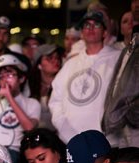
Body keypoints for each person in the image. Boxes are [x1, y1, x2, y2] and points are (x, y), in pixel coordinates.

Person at [49, 11, 120, 144]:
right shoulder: (70, 64)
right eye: (86, 25)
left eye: (96, 25)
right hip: (72, 141)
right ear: (81, 33)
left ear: (105, 33)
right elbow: (55, 101)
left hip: (107, 141)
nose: (91, 28)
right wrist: (65, 130)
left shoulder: (118, 59)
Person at [102, 2, 139, 148]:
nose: (131, 23)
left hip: (133, 121)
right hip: (121, 125)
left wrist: (132, 112)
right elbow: (115, 88)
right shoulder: (123, 51)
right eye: (125, 21)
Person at [28, 44, 63, 130]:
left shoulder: (64, 84)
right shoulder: (29, 86)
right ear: (39, 64)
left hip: (59, 135)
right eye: (50, 58)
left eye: (57, 57)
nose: (56, 61)